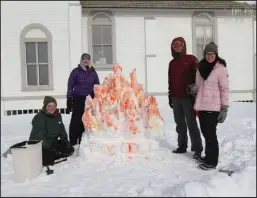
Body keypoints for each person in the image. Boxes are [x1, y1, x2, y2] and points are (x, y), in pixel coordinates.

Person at [194, 42, 229, 170]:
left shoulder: (220, 68)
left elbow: (224, 89)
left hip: (213, 108)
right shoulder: (200, 67)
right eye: (208, 54)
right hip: (202, 106)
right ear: (205, 54)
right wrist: (193, 90)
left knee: (210, 135)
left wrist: (224, 108)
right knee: (206, 134)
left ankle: (212, 162)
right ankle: (209, 156)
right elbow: (199, 87)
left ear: (216, 54)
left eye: (212, 54)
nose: (210, 56)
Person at [168, 37, 203, 159]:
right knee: (180, 124)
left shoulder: (191, 59)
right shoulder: (171, 63)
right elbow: (170, 81)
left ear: (184, 46)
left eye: (180, 45)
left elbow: (198, 77)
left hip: (188, 97)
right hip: (176, 98)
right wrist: (170, 96)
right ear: (172, 48)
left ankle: (197, 149)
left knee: (191, 123)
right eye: (175, 45)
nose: (178, 47)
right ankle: (182, 145)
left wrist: (196, 91)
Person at [29, 96, 74, 166]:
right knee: (47, 159)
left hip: (52, 142)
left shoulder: (58, 116)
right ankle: (51, 155)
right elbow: (38, 137)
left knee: (69, 149)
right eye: (49, 106)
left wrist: (64, 140)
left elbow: (62, 129)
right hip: (41, 145)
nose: (52, 108)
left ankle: (55, 154)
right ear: (45, 106)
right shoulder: (40, 117)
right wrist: (49, 148)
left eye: (54, 106)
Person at [66, 53, 100, 147]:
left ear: (89, 61)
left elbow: (97, 86)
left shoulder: (93, 72)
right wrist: (69, 99)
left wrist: (97, 99)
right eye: (84, 59)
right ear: (81, 60)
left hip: (89, 100)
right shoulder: (75, 71)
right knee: (76, 120)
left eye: (87, 59)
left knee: (87, 119)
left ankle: (83, 140)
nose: (86, 60)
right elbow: (70, 85)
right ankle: (73, 141)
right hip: (78, 99)